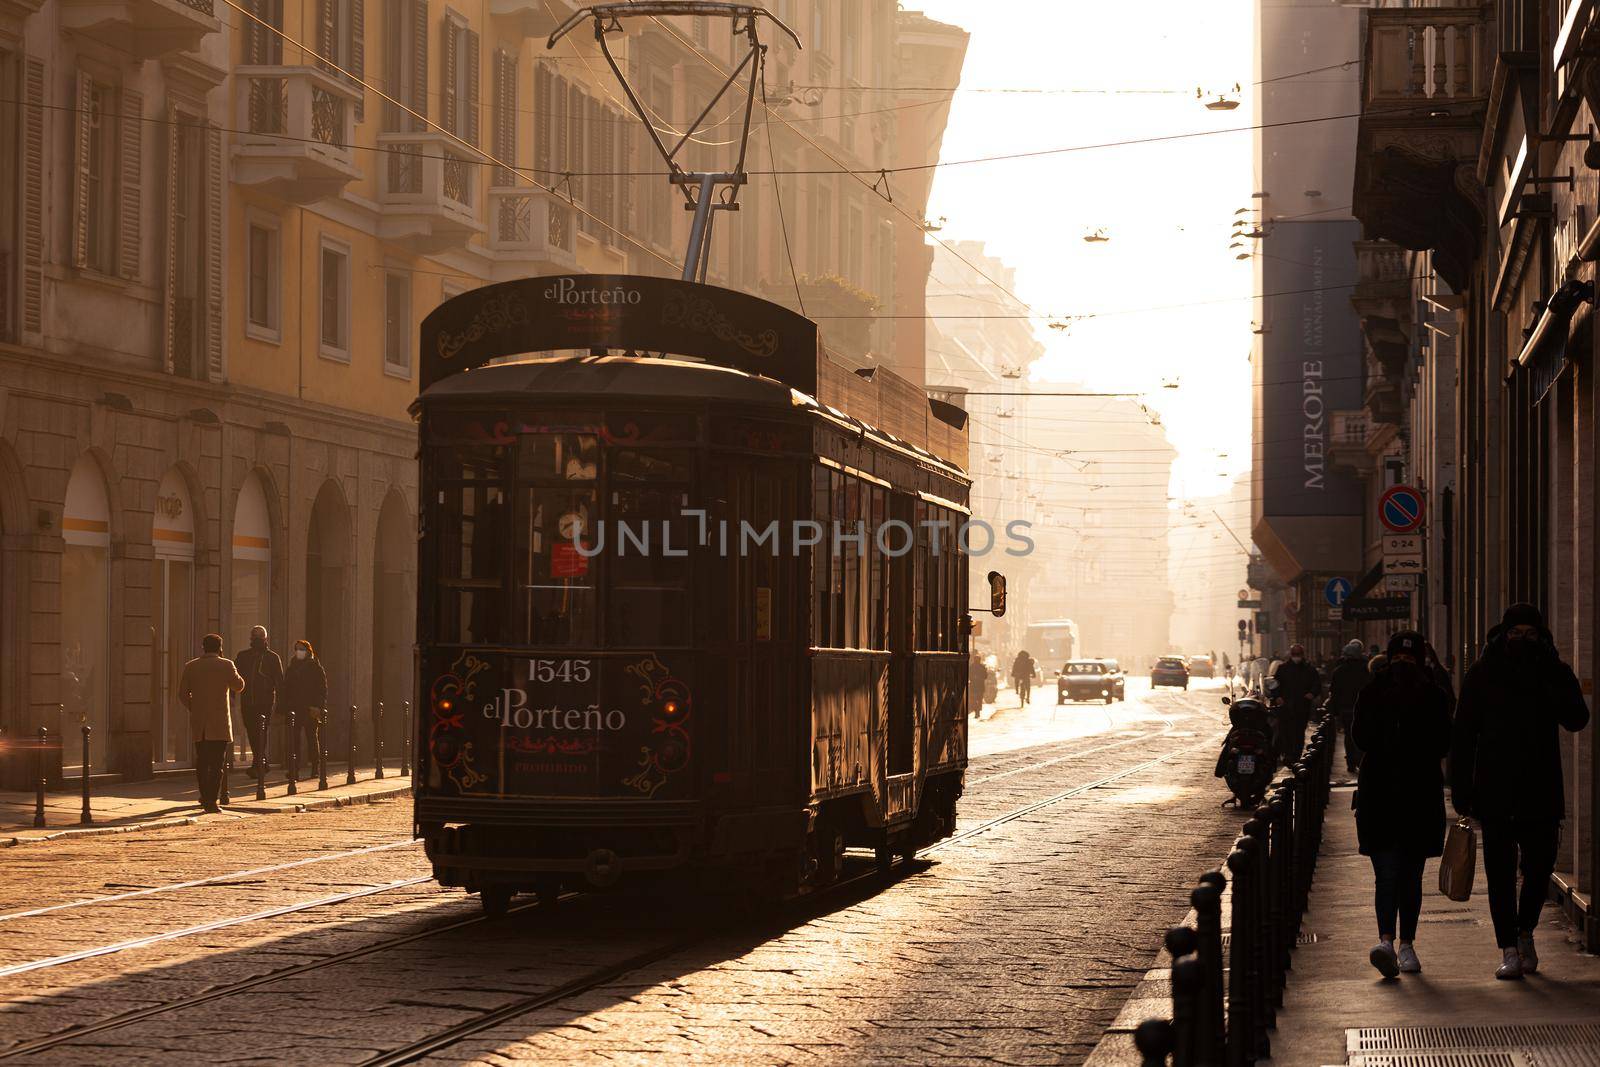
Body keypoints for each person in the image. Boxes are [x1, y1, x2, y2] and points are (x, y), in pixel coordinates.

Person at [1451, 603, 1591, 980]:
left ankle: (1525, 930)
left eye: (1530, 634)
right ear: (1503, 634)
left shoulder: (1553, 671)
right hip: (1494, 790)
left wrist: (1554, 676)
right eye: (1515, 634)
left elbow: (1577, 719)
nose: (1522, 640)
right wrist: (1462, 791)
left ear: (1541, 637)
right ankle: (1508, 948)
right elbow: (1463, 735)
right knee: (1499, 873)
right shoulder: (1483, 674)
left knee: (1539, 868)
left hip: (1541, 788)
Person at [1353, 630, 1452, 978]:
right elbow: (1360, 737)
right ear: (1388, 660)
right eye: (1398, 658)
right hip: (1379, 794)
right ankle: (1385, 942)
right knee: (1386, 874)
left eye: (1410, 659)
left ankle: (1407, 944)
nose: (1403, 664)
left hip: (1419, 796)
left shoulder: (1434, 695)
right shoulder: (1373, 692)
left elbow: (1443, 741)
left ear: (1421, 661)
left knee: (1410, 875)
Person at [178, 633, 245, 813]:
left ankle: (204, 795)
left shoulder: (191, 666)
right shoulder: (226, 664)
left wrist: (194, 707)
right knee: (216, 764)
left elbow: (182, 694)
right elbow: (239, 685)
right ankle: (211, 801)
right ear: (220, 648)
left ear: (203, 647)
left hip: (200, 723)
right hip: (219, 723)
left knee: (202, 762)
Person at [235, 625, 283, 776]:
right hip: (247, 700)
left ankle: (258, 765)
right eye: (254, 637)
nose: (256, 640)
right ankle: (262, 762)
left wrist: (281, 703)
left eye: (259, 637)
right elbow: (234, 677)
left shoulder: (272, 657)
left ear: (264, 639)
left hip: (265, 702)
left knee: (260, 732)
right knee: (252, 732)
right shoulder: (243, 656)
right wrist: (230, 695)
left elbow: (279, 681)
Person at [281, 639, 328, 778]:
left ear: (308, 651)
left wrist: (318, 707)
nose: (298, 651)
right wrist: (284, 706)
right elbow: (286, 688)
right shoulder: (291, 667)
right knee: (293, 740)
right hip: (294, 708)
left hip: (310, 707)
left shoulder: (315, 667)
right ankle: (294, 769)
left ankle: (315, 767)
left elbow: (322, 689)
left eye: (301, 649)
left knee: (311, 738)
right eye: (297, 649)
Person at [1273, 643, 1322, 763]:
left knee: (1299, 732)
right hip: (1285, 706)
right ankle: (1288, 754)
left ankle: (1296, 755)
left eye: (1298, 654)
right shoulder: (1283, 668)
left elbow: (1317, 684)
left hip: (1302, 706)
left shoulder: (1309, 669)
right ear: (1291, 655)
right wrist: (1277, 696)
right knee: (1285, 731)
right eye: (1294, 654)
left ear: (1302, 655)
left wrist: (1311, 693)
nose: (1296, 657)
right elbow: (1275, 685)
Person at [1329, 639, 1372, 772]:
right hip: (1363, 707)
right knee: (1362, 733)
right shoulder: (1366, 670)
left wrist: (1335, 711)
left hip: (1346, 708)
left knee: (1349, 734)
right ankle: (1360, 759)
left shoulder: (1339, 671)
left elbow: (1334, 692)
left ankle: (1351, 762)